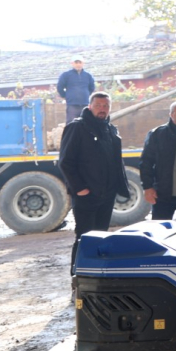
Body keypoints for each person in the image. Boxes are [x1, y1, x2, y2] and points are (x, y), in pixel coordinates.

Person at [58, 91, 130, 263]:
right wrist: (80, 189)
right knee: (85, 237)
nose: (102, 109)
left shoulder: (110, 129)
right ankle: (78, 276)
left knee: (102, 236)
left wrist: (118, 188)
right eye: (98, 106)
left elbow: (115, 162)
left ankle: (97, 274)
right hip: (86, 195)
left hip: (107, 195)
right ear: (90, 107)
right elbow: (65, 162)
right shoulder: (77, 127)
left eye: (106, 106)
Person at [140, 100, 176, 228]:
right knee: (160, 230)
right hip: (164, 194)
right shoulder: (158, 134)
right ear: (171, 114)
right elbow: (146, 162)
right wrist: (147, 187)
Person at [57, 56, 96, 123]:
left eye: (80, 62)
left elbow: (92, 87)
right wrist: (65, 96)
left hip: (85, 105)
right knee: (71, 124)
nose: (78, 64)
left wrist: (85, 95)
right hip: (72, 105)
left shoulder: (88, 76)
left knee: (87, 124)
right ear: (72, 63)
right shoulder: (66, 75)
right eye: (76, 62)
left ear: (83, 63)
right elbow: (59, 87)